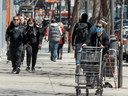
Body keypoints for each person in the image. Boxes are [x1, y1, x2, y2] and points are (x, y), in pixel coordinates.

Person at [82, 21, 109, 95]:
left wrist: (103, 47)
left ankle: (99, 87)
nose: (98, 28)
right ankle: (90, 84)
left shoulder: (105, 36)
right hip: (95, 55)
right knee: (93, 70)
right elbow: (88, 40)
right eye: (97, 27)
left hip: (103, 56)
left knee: (99, 71)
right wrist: (85, 44)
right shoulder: (93, 35)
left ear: (103, 28)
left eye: (99, 27)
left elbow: (107, 45)